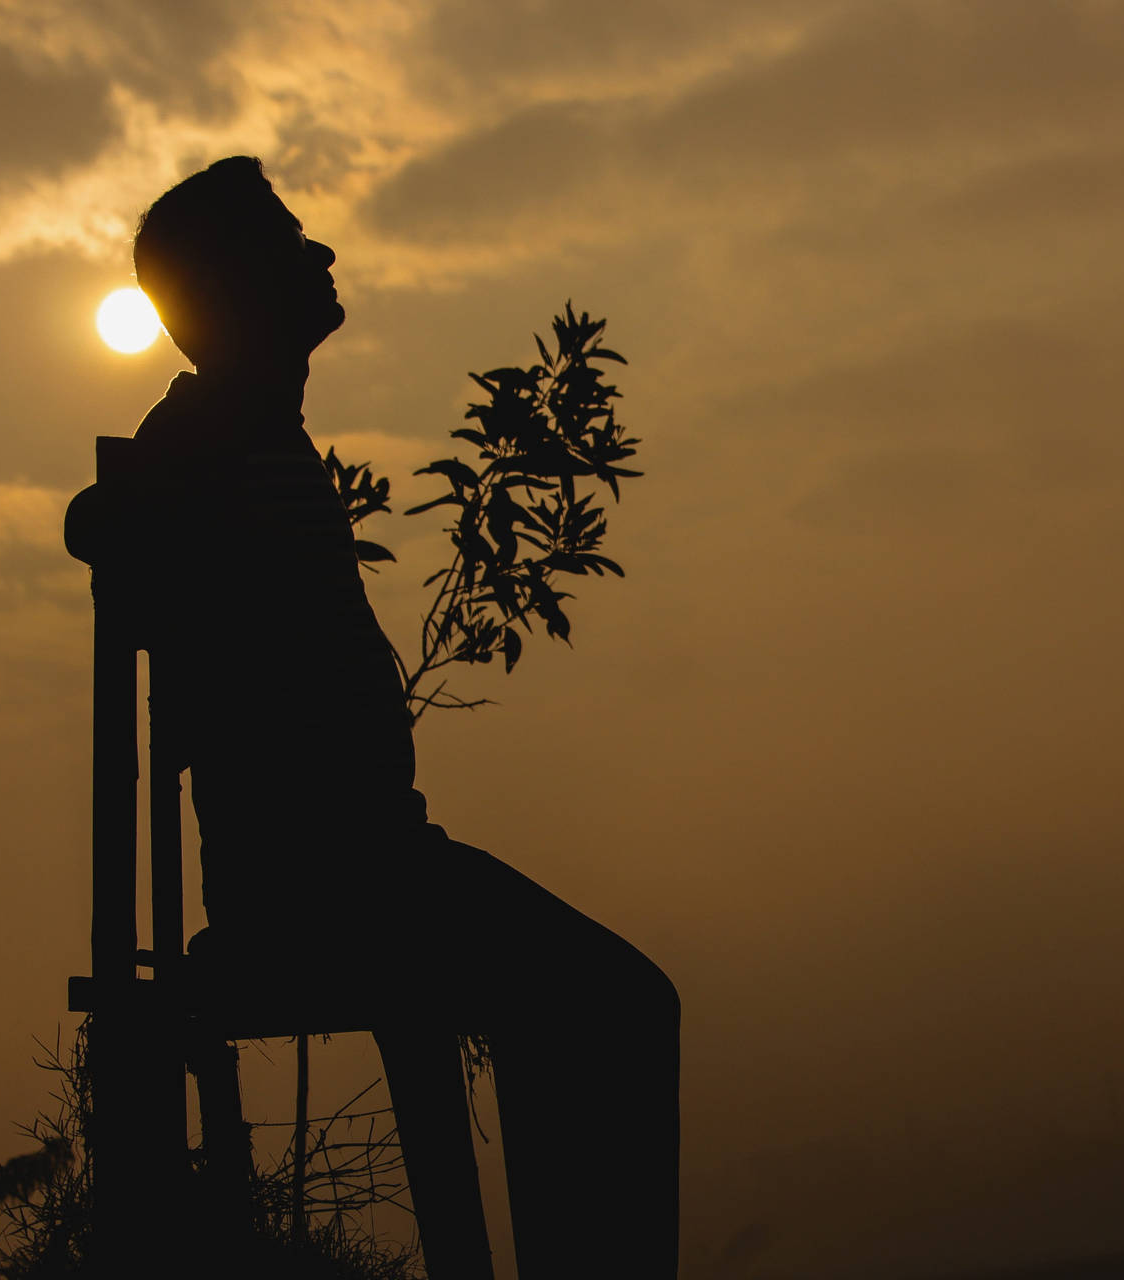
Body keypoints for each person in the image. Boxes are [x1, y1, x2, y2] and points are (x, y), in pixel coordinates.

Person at [123, 155, 678, 1279]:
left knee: (598, 1000)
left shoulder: (242, 438)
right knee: (619, 1002)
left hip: (353, 870)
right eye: (288, 241)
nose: (322, 253)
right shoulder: (217, 443)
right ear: (235, 286)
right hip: (333, 887)